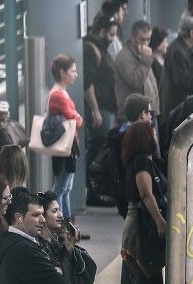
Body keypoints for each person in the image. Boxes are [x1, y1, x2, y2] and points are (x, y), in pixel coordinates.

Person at [121, 122, 167, 284]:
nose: (156, 134)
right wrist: (160, 222)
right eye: (152, 132)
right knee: (142, 272)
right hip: (140, 223)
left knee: (145, 272)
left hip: (141, 220)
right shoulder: (141, 162)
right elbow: (146, 194)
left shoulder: (145, 161)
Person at [83, 14, 120, 207]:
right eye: (112, 34)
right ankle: (92, 191)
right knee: (97, 149)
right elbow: (87, 83)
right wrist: (95, 110)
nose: (113, 38)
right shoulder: (91, 49)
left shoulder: (99, 48)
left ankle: (97, 190)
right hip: (101, 108)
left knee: (100, 148)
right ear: (102, 32)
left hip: (106, 108)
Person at [48, 54, 84, 219]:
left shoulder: (59, 92)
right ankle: (61, 224)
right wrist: (77, 116)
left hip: (67, 145)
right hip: (65, 145)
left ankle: (66, 224)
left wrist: (76, 117)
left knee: (64, 188)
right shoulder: (58, 94)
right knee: (61, 188)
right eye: (73, 71)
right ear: (62, 72)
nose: (75, 75)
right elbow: (73, 118)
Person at [115, 20, 161, 123]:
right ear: (133, 38)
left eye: (148, 39)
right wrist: (146, 60)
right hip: (134, 117)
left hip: (149, 113)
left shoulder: (143, 54)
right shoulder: (124, 57)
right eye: (142, 39)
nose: (145, 43)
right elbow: (136, 81)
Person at [160, 15, 193, 121]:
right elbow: (183, 80)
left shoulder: (184, 48)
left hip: (180, 104)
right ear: (192, 32)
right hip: (177, 106)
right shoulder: (178, 51)